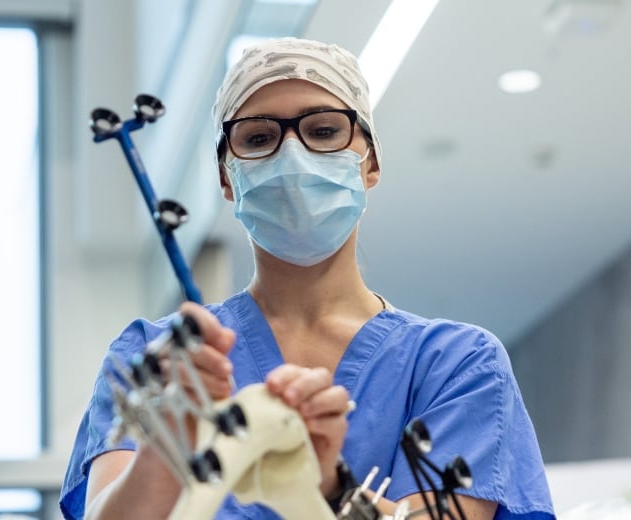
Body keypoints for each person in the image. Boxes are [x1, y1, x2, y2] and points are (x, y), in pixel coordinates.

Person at [59, 37, 555, 519]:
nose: (292, 157)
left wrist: (327, 487)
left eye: (322, 131)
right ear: (228, 178)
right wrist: (168, 439)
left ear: (371, 162)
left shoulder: (454, 364)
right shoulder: (159, 356)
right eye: (258, 138)